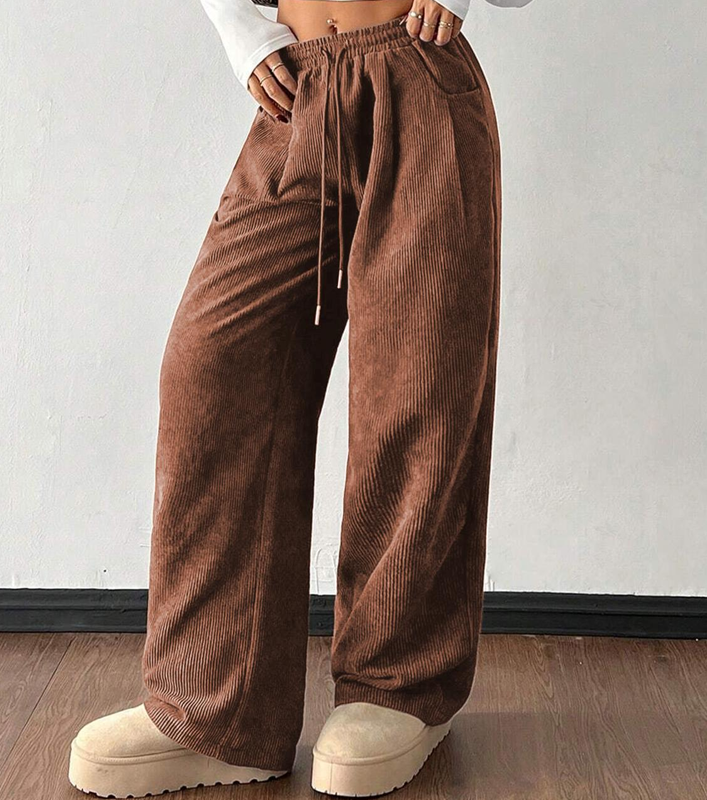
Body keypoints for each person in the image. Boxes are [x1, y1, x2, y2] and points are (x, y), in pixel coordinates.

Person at [68, 0, 501, 796]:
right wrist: (241, 31)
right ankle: (220, 711)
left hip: (418, 74)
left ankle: (398, 688)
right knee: (214, 367)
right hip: (297, 89)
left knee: (415, 390)